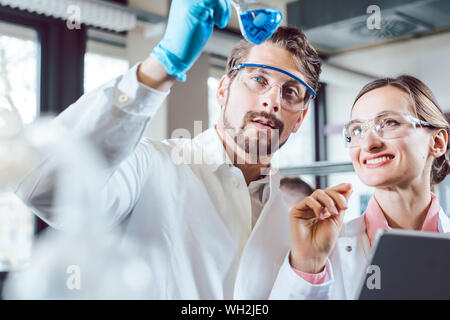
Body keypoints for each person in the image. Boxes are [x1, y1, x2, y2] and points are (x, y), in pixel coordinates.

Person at [16, 0, 322, 299]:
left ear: (301, 118)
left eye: (290, 91)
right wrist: (162, 65)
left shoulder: (290, 220)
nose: (273, 100)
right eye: (258, 79)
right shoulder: (151, 166)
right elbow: (45, 188)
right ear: (224, 89)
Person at [282, 75, 450, 299]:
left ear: (437, 142)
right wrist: (308, 266)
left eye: (390, 123)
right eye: (357, 130)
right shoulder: (322, 253)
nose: (369, 144)